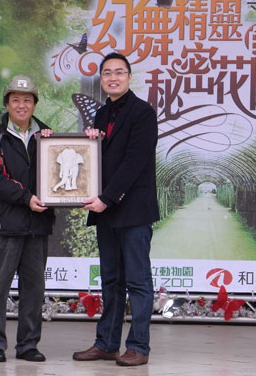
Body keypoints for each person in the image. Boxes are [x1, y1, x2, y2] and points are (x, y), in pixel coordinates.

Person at [72, 52, 159, 366]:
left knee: (137, 281)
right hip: (106, 211)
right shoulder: (100, 114)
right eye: (107, 73)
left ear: (129, 77)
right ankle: (107, 344)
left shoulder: (143, 112)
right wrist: (91, 142)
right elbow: (99, 160)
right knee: (110, 280)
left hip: (132, 210)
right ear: (102, 79)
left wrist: (107, 197)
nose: (113, 77)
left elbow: (135, 161)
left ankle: (138, 347)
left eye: (119, 72)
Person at [0, 75, 55, 363]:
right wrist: (26, 198)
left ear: (35, 104)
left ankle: (28, 345)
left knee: (34, 289)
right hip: (5, 227)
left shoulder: (48, 136)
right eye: (15, 100)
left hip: (38, 226)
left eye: (27, 100)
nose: (21, 105)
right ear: (7, 104)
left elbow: (59, 173)